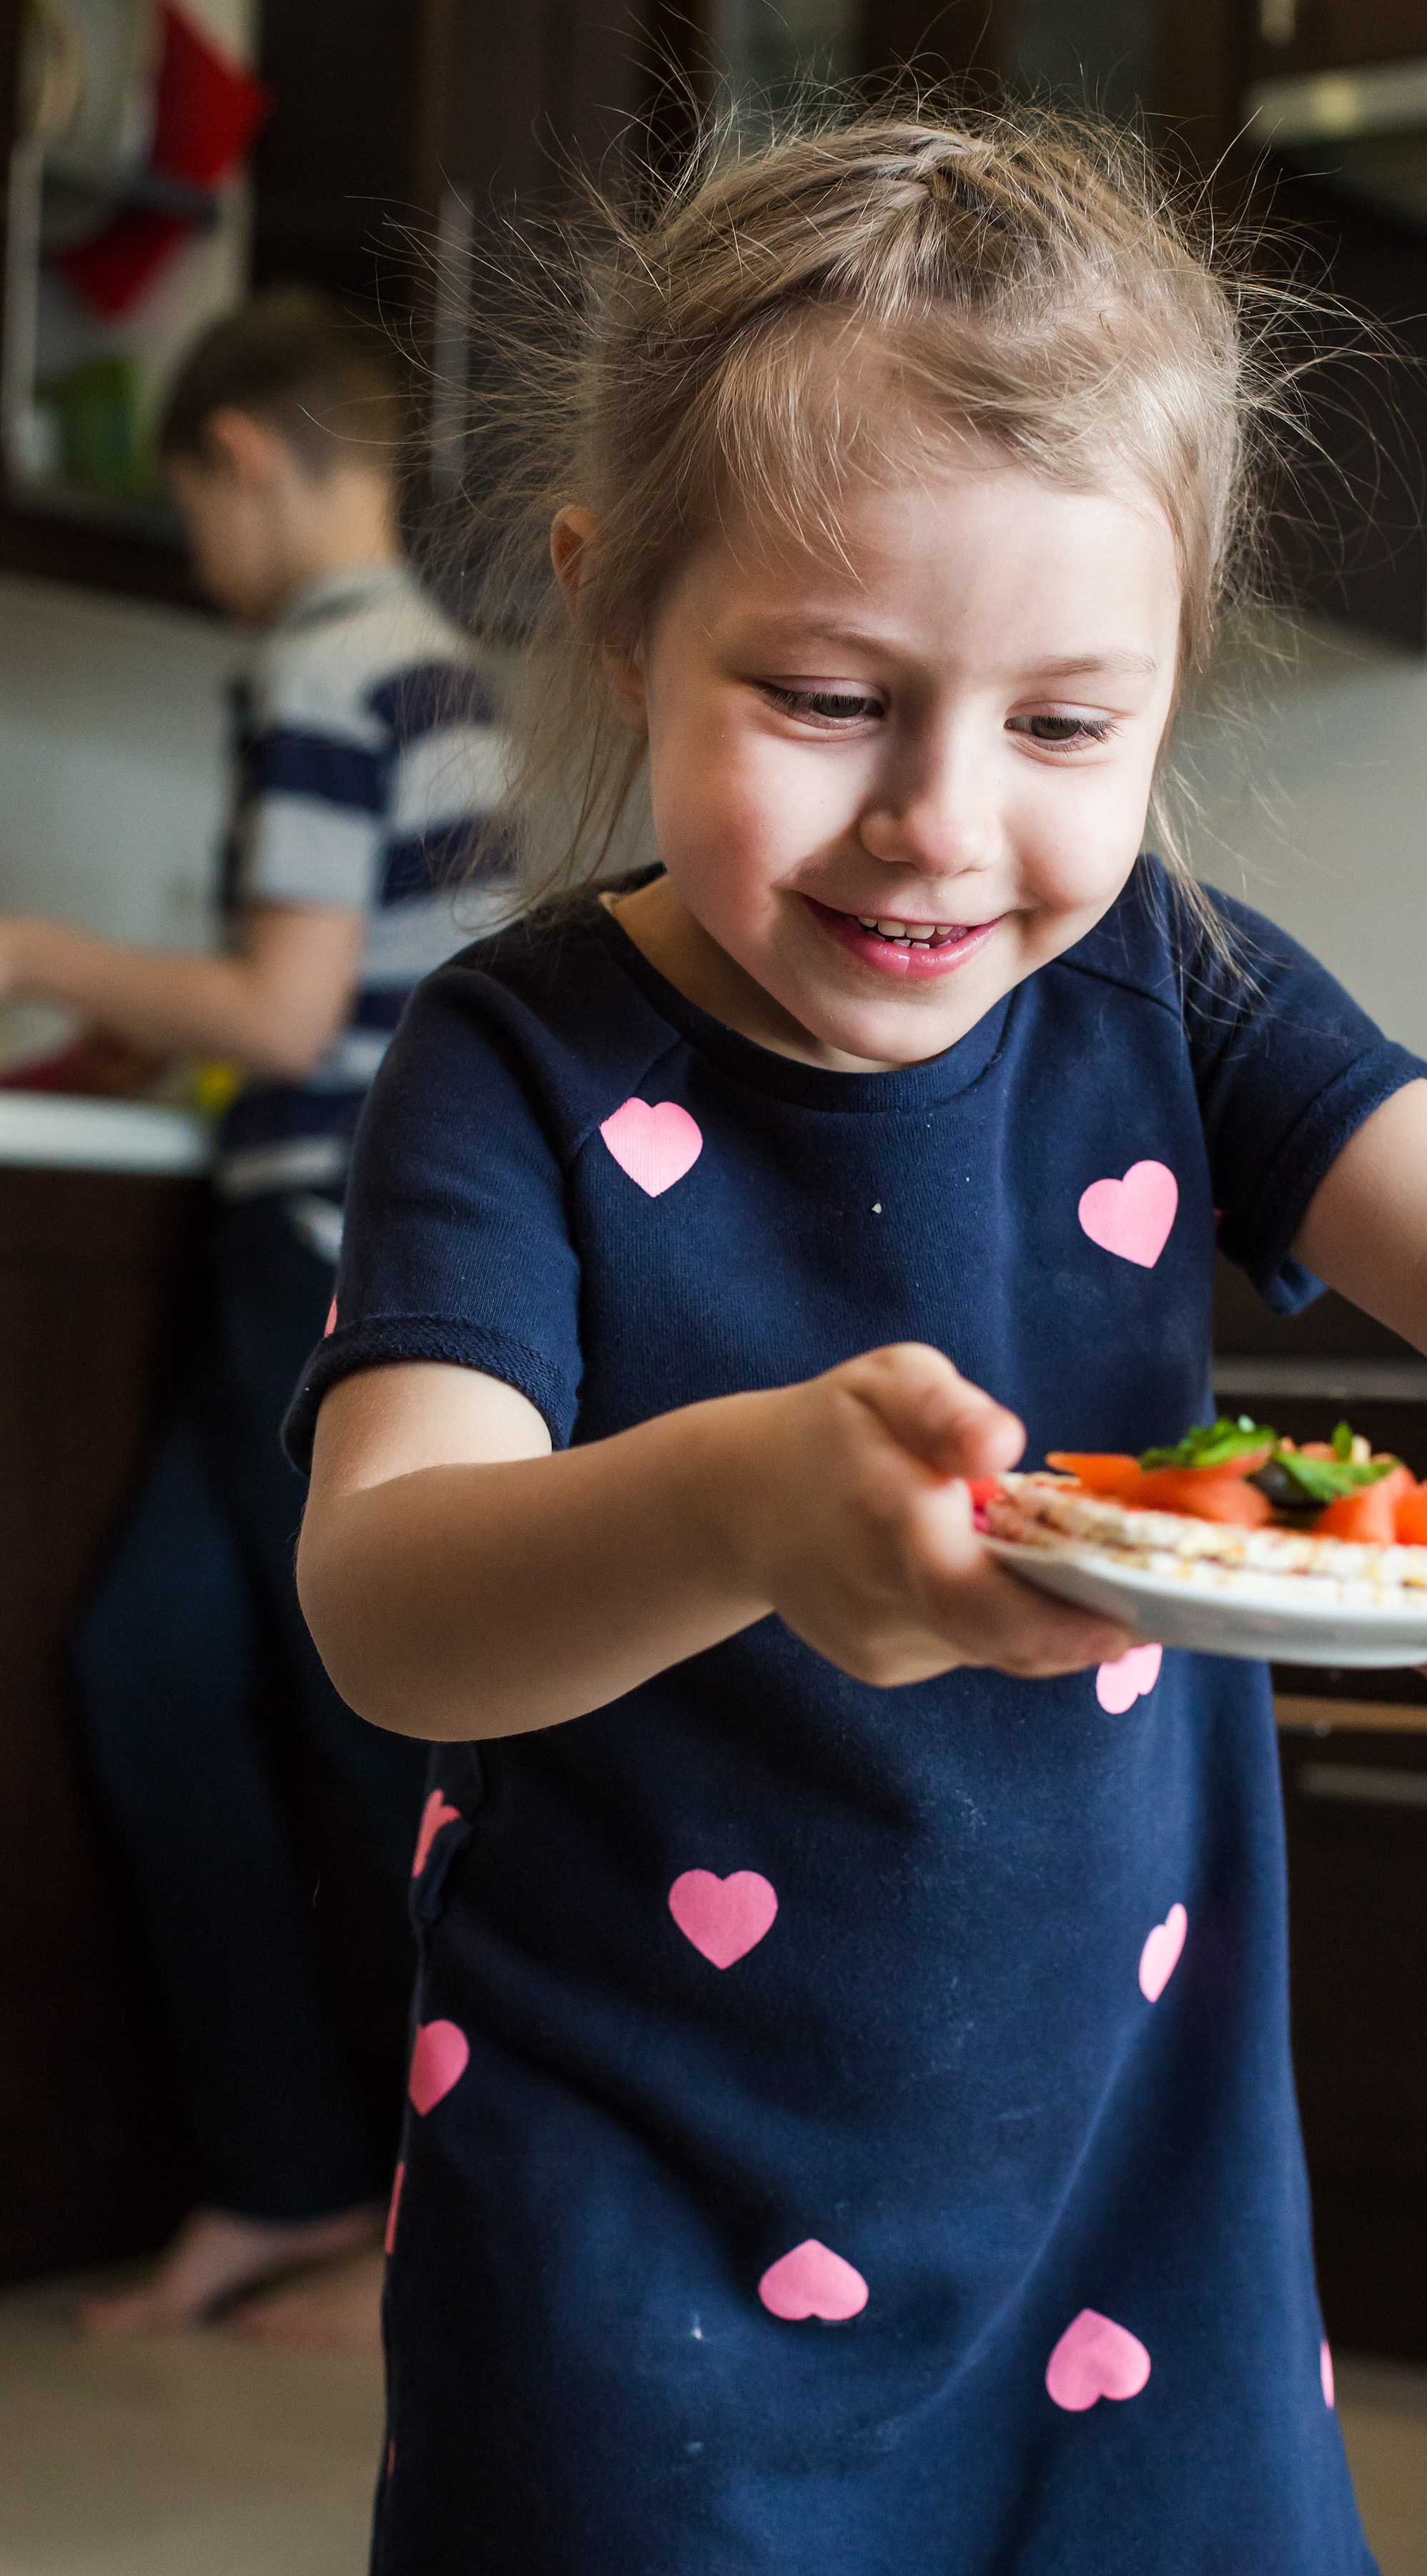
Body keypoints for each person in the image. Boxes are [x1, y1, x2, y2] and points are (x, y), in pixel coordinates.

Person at [286, 114, 1427, 2570]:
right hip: (636, 2238)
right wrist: (739, 1503)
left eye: (1065, 727)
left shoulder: (1175, 984)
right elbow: (387, 1594)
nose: (943, 821)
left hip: (1128, 2218)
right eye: (829, 695)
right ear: (619, 616)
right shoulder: (515, 1061)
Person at [0, 288, 509, 2346]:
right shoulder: (452, 676)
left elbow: (285, 1012)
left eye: (196, 514)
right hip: (376, 1239)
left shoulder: (317, 665)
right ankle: (309, 2175)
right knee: (176, 1681)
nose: (207, 561)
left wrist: (29, 940)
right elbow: (361, 1017)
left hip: (303, 1255)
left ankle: (428, 2206)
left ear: (237, 460)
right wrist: (126, 1048)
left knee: (344, 1719)